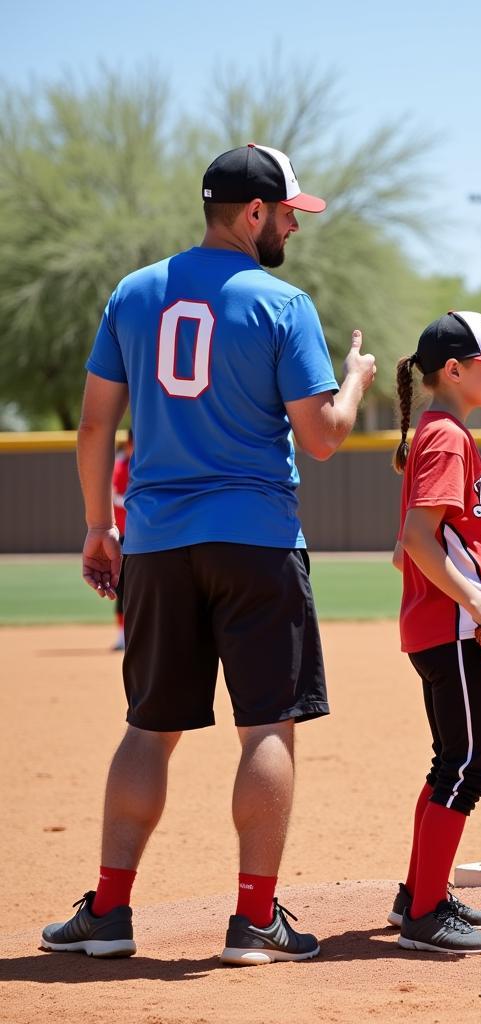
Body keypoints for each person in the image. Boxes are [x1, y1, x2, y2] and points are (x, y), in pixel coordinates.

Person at [42, 143, 377, 965]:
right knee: (266, 726)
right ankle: (255, 921)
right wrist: (357, 379)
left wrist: (98, 527)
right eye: (290, 213)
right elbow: (324, 438)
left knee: (148, 730)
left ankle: (111, 913)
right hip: (257, 540)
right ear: (254, 213)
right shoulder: (282, 303)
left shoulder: (135, 292)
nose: (294, 227)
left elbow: (94, 427)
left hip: (155, 542)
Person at [389, 311, 481, 955]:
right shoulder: (446, 437)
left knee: (451, 760)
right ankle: (423, 914)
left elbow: (406, 549)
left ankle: (420, 893)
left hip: (441, 626)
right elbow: (418, 540)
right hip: (455, 629)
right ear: (453, 370)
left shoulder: (438, 432)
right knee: (469, 766)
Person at [111, 428, 133, 651]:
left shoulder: (150, 463)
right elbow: (114, 495)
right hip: (125, 535)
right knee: (122, 587)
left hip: (147, 536)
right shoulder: (121, 465)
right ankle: (121, 635)